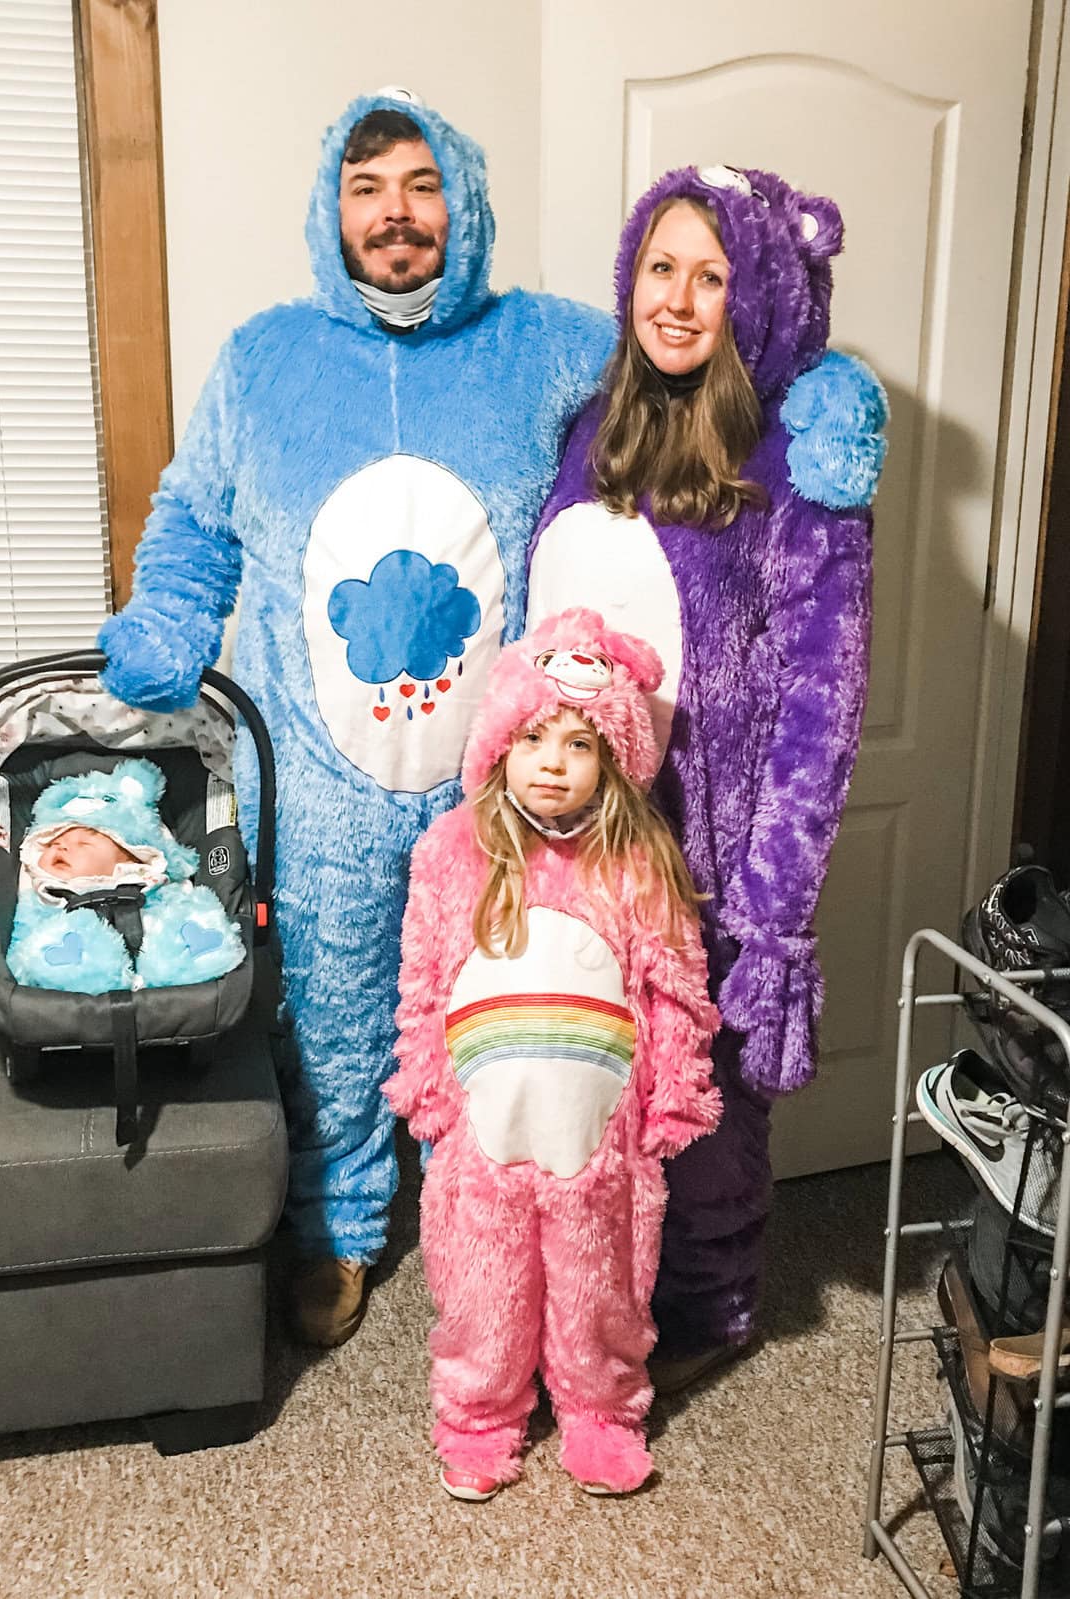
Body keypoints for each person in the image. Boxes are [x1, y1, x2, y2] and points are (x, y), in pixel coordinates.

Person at [97, 86, 885, 1348]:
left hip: (524, 796)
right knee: (339, 1003)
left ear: (462, 203)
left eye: (421, 187)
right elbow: (196, 516)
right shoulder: (263, 361)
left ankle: (538, 1236)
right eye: (368, 191)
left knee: (543, 1024)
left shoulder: (547, 344)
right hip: (333, 780)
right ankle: (341, 1224)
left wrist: (829, 387)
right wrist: (167, 626)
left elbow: (705, 345)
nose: (396, 216)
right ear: (330, 210)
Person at [527, 164, 884, 1388]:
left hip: (712, 854)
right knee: (599, 1075)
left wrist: (774, 908)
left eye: (712, 276)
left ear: (760, 295)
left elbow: (822, 705)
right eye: (660, 268)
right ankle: (595, 1292)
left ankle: (710, 1305)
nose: (677, 300)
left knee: (712, 1105)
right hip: (585, 832)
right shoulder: (593, 427)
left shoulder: (795, 462)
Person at [384, 609, 720, 1499]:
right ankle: (479, 1413)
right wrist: (424, 1079)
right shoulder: (454, 851)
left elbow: (674, 982)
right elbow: (423, 975)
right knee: (480, 1286)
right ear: (501, 743)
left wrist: (675, 1089)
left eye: (578, 743)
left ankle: (601, 1411)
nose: (553, 761)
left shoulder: (639, 862)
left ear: (612, 759)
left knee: (602, 1284)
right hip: (481, 1131)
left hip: (600, 1134)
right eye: (534, 736)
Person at [7, 758, 244, 993]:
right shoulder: (42, 894)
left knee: (184, 924)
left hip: (155, 945)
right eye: (53, 843)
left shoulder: (151, 879)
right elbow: (23, 937)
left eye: (83, 843)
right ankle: (75, 969)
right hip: (72, 939)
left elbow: (182, 900)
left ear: (130, 855)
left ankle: (190, 956)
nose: (61, 847)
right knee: (54, 946)